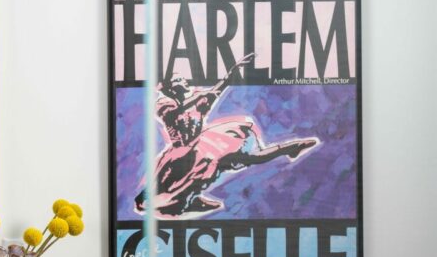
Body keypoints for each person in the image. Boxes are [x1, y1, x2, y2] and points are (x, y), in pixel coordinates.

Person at [134, 52, 319, 217]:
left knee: (244, 158)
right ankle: (188, 201)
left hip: (204, 144)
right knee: (165, 190)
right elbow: (177, 113)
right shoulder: (164, 105)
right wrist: (200, 98)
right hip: (181, 154)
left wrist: (232, 73)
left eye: (182, 79)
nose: (184, 81)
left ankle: (291, 148)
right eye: (178, 80)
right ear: (170, 88)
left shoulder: (198, 101)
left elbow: (217, 91)